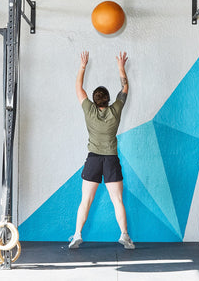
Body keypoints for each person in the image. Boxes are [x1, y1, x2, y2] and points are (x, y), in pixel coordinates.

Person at [68, 51, 135, 250]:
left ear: (95, 100)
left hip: (94, 159)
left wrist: (83, 65)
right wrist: (121, 67)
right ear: (107, 100)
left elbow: (78, 88)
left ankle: (77, 235)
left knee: (85, 200)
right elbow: (124, 87)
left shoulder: (89, 110)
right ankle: (124, 236)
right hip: (111, 160)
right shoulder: (115, 110)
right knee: (118, 200)